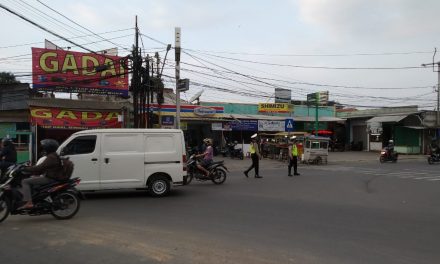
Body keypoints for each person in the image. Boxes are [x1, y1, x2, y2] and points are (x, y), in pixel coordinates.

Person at [18, 139, 63, 210]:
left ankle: (29, 203)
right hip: (51, 176)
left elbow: (40, 167)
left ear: (49, 148)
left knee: (25, 181)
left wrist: (26, 169)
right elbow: (44, 168)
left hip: (50, 178)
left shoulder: (51, 157)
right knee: (32, 177)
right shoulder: (53, 156)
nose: (43, 150)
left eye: (44, 148)